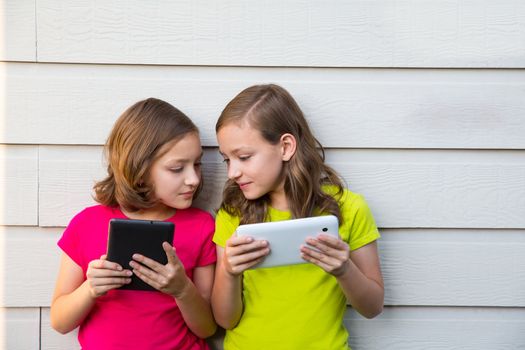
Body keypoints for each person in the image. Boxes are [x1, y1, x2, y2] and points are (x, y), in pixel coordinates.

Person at [211, 84, 384, 350]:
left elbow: (373, 307)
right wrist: (229, 272)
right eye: (227, 160)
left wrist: (344, 270)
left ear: (286, 147)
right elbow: (225, 320)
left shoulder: (349, 209)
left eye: (244, 157)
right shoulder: (233, 214)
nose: (233, 172)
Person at [50, 98, 217, 350]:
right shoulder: (87, 224)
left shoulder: (201, 226)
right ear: (139, 170)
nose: (193, 179)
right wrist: (91, 288)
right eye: (176, 168)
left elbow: (207, 328)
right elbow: (60, 321)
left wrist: (182, 289)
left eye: (197, 164)